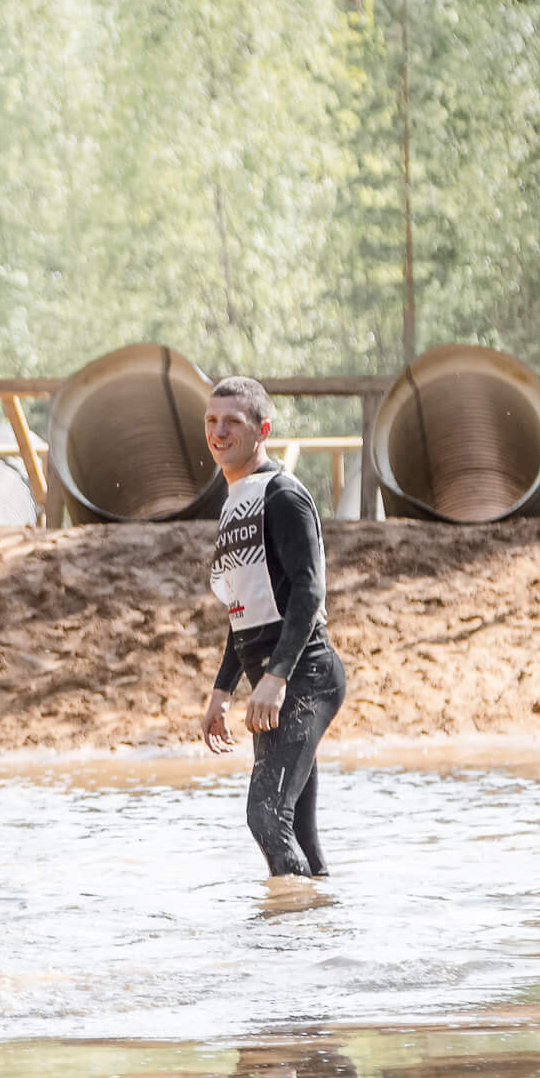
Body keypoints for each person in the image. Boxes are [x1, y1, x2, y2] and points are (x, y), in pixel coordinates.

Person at [198, 376, 348, 879]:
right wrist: (222, 690)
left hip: (305, 676)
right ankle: (314, 939)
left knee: (265, 815)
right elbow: (246, 607)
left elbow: (309, 592)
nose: (219, 432)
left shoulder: (283, 495)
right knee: (295, 829)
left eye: (232, 422)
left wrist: (277, 678)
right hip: (271, 679)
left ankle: (286, 939)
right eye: (211, 421)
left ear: (262, 429)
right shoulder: (236, 498)